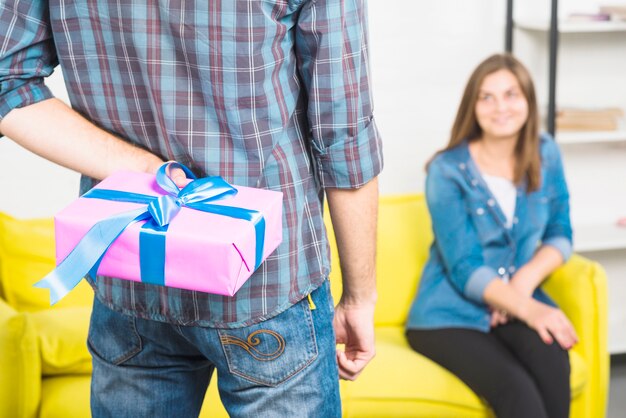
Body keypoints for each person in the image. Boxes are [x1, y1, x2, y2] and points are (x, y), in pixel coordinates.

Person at [0, 1, 383, 416]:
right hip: (268, 281)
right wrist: (360, 298)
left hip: (132, 270)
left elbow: (8, 83)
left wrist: (146, 171)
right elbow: (344, 136)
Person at [405, 53, 576, 418]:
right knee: (518, 393)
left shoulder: (545, 152)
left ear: (528, 101)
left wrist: (522, 285)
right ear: (473, 105)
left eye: (512, 94)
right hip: (446, 315)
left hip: (513, 301)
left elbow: (561, 231)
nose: (501, 107)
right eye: (487, 96)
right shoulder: (446, 171)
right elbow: (465, 267)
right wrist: (527, 308)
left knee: (553, 363)